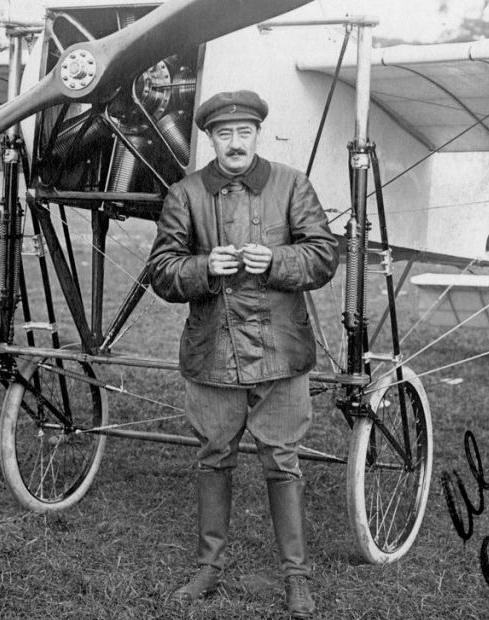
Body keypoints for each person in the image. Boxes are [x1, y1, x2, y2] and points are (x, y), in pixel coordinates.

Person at [146, 89, 339, 619]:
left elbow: (325, 256)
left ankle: (296, 576)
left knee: (283, 460)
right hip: (213, 355)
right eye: (224, 134)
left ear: (258, 134)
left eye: (244, 133)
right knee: (213, 456)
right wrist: (206, 267)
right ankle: (209, 568)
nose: (235, 143)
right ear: (210, 139)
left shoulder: (291, 184)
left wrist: (275, 259)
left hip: (281, 350)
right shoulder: (185, 194)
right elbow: (162, 269)